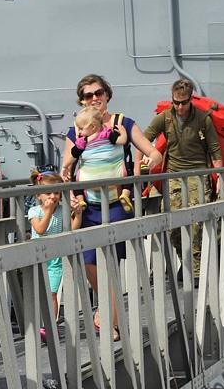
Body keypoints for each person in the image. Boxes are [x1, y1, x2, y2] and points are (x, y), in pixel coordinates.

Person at [61, 74, 162, 337]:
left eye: (98, 93)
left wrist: (151, 159)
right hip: (88, 205)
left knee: (110, 262)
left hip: (116, 202)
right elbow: (66, 167)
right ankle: (106, 310)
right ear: (81, 100)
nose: (94, 99)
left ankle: (109, 322)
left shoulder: (123, 124)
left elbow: (152, 151)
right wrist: (68, 190)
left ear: (107, 94)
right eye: (87, 95)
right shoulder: (77, 128)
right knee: (87, 261)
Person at [142, 78, 222, 280]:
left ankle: (196, 272)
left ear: (190, 100)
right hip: (174, 178)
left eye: (183, 102)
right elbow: (145, 137)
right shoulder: (165, 117)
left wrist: (219, 176)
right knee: (173, 226)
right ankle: (186, 262)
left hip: (197, 176)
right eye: (175, 102)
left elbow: (214, 149)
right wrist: (147, 157)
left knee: (196, 226)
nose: (179, 107)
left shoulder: (203, 119)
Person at [27, 170, 83, 340]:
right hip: (38, 258)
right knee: (38, 294)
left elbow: (72, 230)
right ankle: (36, 324)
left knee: (52, 294)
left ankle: (50, 326)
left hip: (55, 260)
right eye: (49, 193)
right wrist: (49, 211)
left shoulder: (61, 210)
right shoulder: (34, 211)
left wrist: (78, 214)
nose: (53, 196)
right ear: (39, 195)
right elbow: (40, 229)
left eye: (57, 193)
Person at [64, 106, 131, 212]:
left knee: (76, 183)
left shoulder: (83, 141)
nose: (79, 132)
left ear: (93, 127)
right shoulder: (107, 134)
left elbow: (73, 155)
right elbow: (122, 141)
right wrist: (123, 133)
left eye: (81, 128)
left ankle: (81, 200)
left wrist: (65, 166)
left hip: (89, 181)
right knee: (128, 177)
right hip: (113, 179)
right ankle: (125, 194)